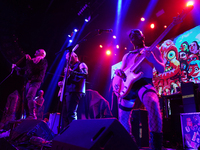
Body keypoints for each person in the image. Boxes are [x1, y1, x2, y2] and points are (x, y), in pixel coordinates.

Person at [114, 29, 164, 150]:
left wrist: (152, 59)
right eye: (131, 35)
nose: (134, 35)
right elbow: (122, 69)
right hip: (127, 86)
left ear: (143, 37)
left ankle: (156, 146)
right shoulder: (127, 55)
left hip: (144, 82)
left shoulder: (152, 49)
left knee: (152, 102)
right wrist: (118, 72)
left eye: (137, 33)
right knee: (123, 118)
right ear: (130, 40)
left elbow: (161, 69)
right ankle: (129, 145)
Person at [12, 49, 48, 119]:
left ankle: (32, 114)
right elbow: (25, 70)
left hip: (36, 81)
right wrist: (16, 68)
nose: (36, 51)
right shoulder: (32, 61)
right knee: (25, 99)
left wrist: (28, 61)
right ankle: (28, 115)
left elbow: (33, 70)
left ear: (42, 53)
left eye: (38, 50)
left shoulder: (43, 61)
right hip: (29, 81)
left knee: (29, 96)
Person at [58, 51, 88, 130]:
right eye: (67, 59)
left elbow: (85, 75)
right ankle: (65, 134)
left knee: (71, 114)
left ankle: (73, 133)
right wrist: (63, 83)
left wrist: (72, 72)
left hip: (74, 91)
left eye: (69, 58)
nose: (67, 60)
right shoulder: (70, 67)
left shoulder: (81, 64)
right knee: (64, 115)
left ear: (74, 56)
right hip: (67, 92)